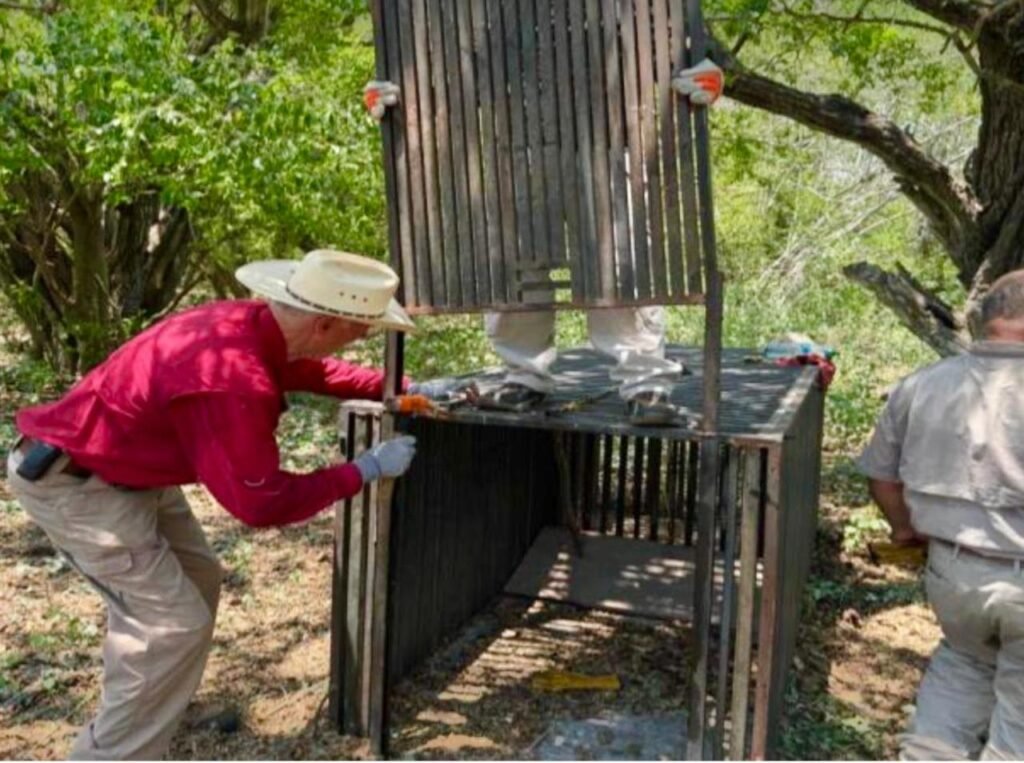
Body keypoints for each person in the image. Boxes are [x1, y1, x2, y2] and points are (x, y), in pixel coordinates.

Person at [5, 249, 459, 760]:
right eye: (362, 329)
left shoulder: (249, 325)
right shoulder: (230, 377)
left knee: (199, 577)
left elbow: (318, 372)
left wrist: (404, 387)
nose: (364, 338)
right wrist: (364, 470)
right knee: (168, 626)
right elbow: (260, 502)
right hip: (78, 486)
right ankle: (112, 753)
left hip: (123, 469)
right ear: (326, 322)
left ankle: (161, 704)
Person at [364, 59, 725, 424]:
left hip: (607, 140)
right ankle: (524, 376)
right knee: (516, 259)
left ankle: (645, 384)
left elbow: (666, 34)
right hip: (516, 144)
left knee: (617, 257)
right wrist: (397, 93)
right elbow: (452, 59)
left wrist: (703, 69)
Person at [857, 269, 1024, 760]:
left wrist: (905, 529)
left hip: (953, 574)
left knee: (963, 665)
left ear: (984, 322)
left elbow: (881, 477)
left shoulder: (922, 385)